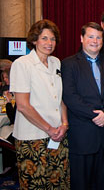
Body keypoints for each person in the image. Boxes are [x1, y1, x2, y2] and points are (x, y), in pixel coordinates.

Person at [62, 22, 104, 190]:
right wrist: (95, 115)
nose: (95, 41)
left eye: (99, 37)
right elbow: (70, 96)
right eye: (91, 37)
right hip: (82, 135)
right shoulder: (69, 64)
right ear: (81, 38)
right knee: (82, 184)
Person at [9, 19, 70, 189]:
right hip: (33, 138)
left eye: (52, 39)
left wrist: (64, 124)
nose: (49, 43)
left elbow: (61, 98)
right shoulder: (22, 65)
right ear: (34, 40)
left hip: (58, 135)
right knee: (36, 184)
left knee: (59, 182)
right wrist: (49, 129)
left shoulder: (56, 62)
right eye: (44, 38)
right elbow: (23, 106)